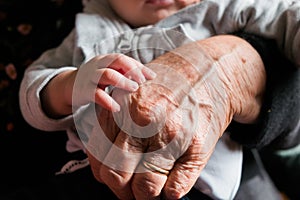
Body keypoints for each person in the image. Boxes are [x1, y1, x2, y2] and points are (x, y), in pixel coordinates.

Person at [18, 0, 300, 199]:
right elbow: (34, 90)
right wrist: (71, 84)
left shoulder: (223, 8)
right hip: (94, 176)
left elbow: (290, 16)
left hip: (196, 184)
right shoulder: (92, 25)